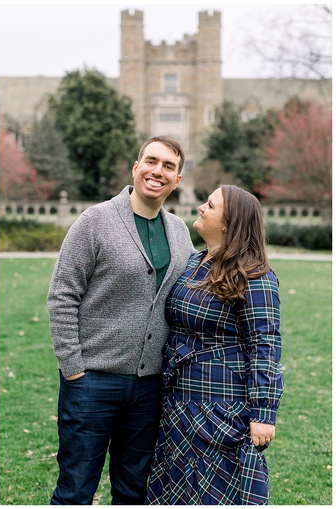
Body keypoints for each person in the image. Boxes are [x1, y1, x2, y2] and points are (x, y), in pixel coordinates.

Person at [48, 135, 196, 504]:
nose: (157, 171)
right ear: (136, 167)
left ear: (177, 180)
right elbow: (63, 294)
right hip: (91, 382)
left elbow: (192, 296)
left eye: (168, 166)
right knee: (75, 490)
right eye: (151, 161)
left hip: (150, 388)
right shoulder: (95, 221)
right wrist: (72, 366)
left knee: (133, 491)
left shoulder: (179, 232)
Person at [146, 185, 283, 505]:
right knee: (178, 486)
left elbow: (265, 343)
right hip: (180, 399)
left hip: (223, 405)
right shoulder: (195, 262)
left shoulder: (255, 275)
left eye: (210, 205)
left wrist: (264, 411)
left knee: (217, 490)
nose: (201, 208)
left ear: (228, 222)